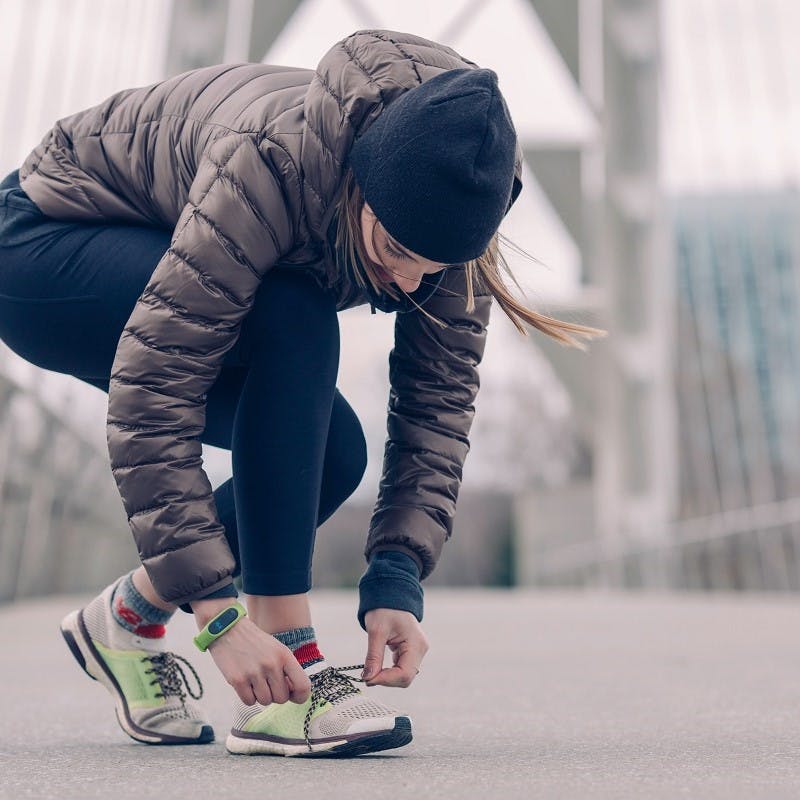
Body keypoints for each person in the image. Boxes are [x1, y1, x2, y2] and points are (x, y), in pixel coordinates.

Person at [0, 28, 603, 757]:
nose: (411, 284)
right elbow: (156, 390)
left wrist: (396, 579)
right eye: (395, 254)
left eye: (433, 269)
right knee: (295, 310)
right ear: (362, 189)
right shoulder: (271, 164)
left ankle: (124, 619)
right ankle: (294, 679)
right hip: (44, 246)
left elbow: (437, 403)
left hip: (165, 266)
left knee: (331, 455)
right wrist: (221, 618)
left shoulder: (455, 211)